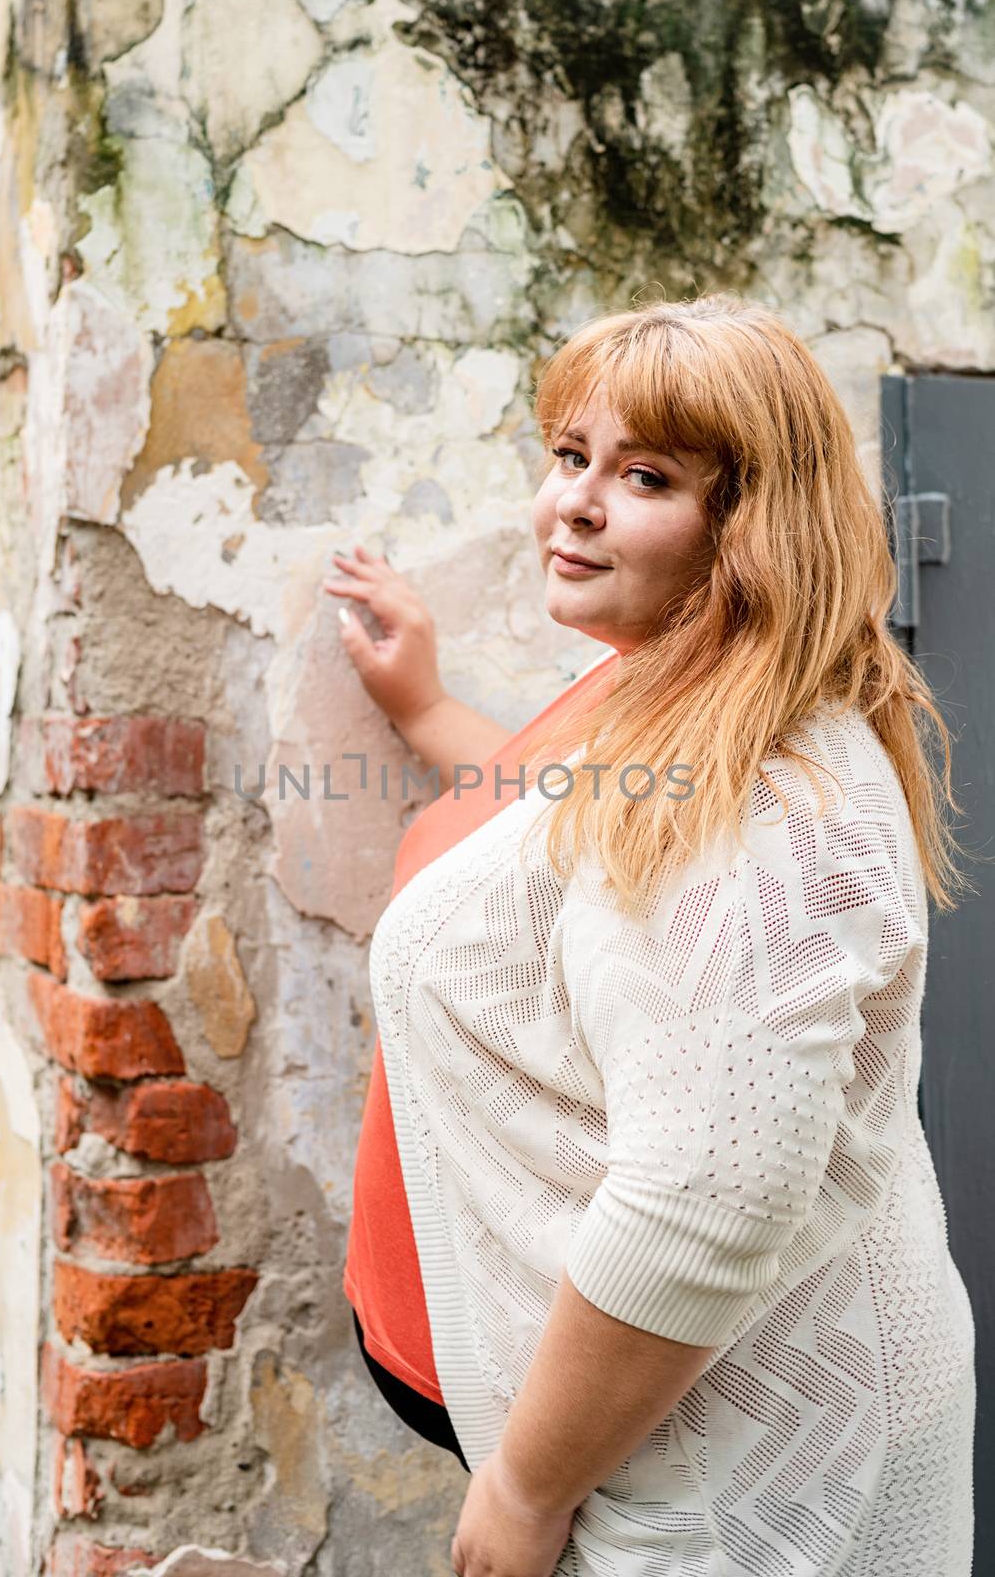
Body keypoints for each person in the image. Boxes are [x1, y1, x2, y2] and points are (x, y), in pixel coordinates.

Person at [325, 295, 977, 1577]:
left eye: (645, 476)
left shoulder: (760, 803)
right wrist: (430, 709)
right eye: (571, 455)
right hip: (676, 1432)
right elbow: (554, 845)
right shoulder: (668, 686)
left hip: (734, 1477)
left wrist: (523, 1485)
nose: (574, 502)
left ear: (749, 530)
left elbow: (705, 1207)